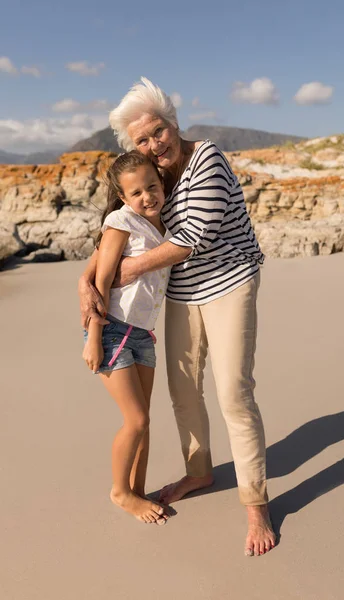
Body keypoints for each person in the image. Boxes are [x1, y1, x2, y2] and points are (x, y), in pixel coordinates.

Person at [79, 77, 276, 556]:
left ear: (173, 120)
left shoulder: (206, 157)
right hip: (183, 293)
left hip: (230, 281)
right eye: (142, 140)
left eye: (158, 131)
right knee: (183, 391)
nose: (154, 144)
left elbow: (193, 237)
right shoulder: (154, 177)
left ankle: (256, 504)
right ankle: (200, 470)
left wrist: (124, 271)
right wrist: (87, 278)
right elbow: (116, 223)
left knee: (233, 392)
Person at [82, 150, 171, 525]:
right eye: (136, 193)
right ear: (123, 197)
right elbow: (100, 281)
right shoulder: (121, 221)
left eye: (152, 186)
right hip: (113, 329)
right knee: (134, 420)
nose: (146, 196)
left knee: (144, 419)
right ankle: (120, 492)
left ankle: (138, 490)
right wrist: (93, 336)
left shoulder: (163, 226)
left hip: (144, 334)